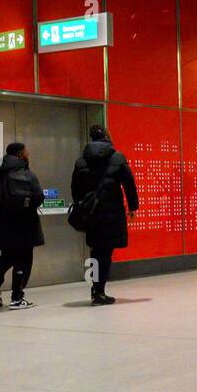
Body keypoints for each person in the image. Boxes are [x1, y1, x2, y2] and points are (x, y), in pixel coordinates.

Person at [71, 124, 138, 305]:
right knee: (106, 252)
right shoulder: (117, 157)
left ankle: (95, 289)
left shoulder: (81, 161)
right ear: (107, 135)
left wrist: (82, 205)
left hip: (91, 213)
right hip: (111, 212)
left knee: (95, 249)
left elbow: (75, 188)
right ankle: (99, 291)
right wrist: (133, 206)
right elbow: (129, 183)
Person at [0, 142, 44, 310]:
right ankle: (17, 297)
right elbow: (38, 197)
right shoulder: (26, 174)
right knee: (24, 258)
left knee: (8, 254)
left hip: (0, 225)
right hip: (24, 223)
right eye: (26, 152)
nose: (28, 154)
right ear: (20, 155)